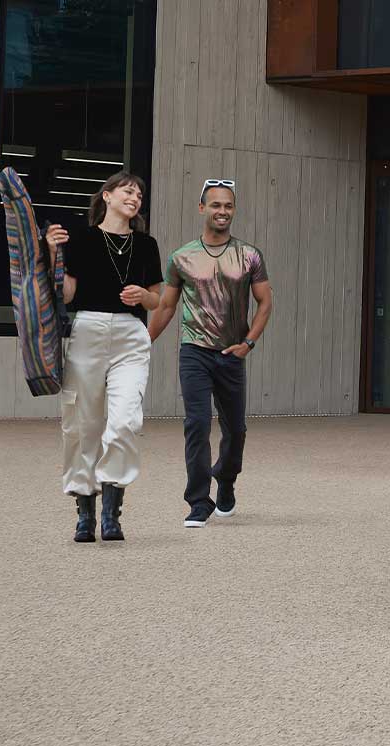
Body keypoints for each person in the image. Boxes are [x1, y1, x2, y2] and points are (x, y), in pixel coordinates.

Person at [45, 173, 165, 543]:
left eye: (139, 194)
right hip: (88, 330)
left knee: (125, 420)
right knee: (82, 423)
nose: (135, 197)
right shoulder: (82, 239)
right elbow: (66, 295)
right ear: (107, 196)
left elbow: (158, 299)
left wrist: (142, 297)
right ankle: (85, 514)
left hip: (131, 335)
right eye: (128, 191)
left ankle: (112, 514)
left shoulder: (146, 244)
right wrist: (53, 253)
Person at [150, 180, 273, 528]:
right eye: (216, 205)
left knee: (236, 430)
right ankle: (198, 501)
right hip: (195, 352)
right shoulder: (181, 257)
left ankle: (226, 478)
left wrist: (248, 343)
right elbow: (166, 306)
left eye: (228, 206)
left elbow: (265, 302)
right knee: (197, 423)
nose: (223, 211)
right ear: (202, 208)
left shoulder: (249, 255)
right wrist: (143, 343)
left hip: (233, 353)